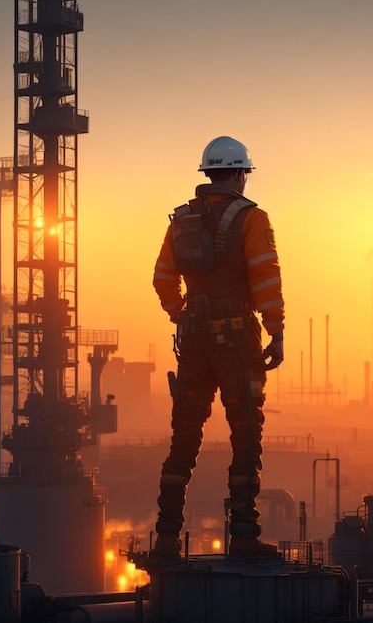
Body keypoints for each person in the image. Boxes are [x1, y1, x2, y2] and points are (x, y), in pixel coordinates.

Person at [151, 136, 285, 558]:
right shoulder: (251, 218)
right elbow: (266, 279)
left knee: (184, 438)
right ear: (241, 173)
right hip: (235, 341)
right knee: (246, 435)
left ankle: (168, 536)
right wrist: (276, 330)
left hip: (192, 342)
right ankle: (244, 535)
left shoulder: (181, 220)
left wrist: (183, 315)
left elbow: (162, 278)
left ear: (208, 175)